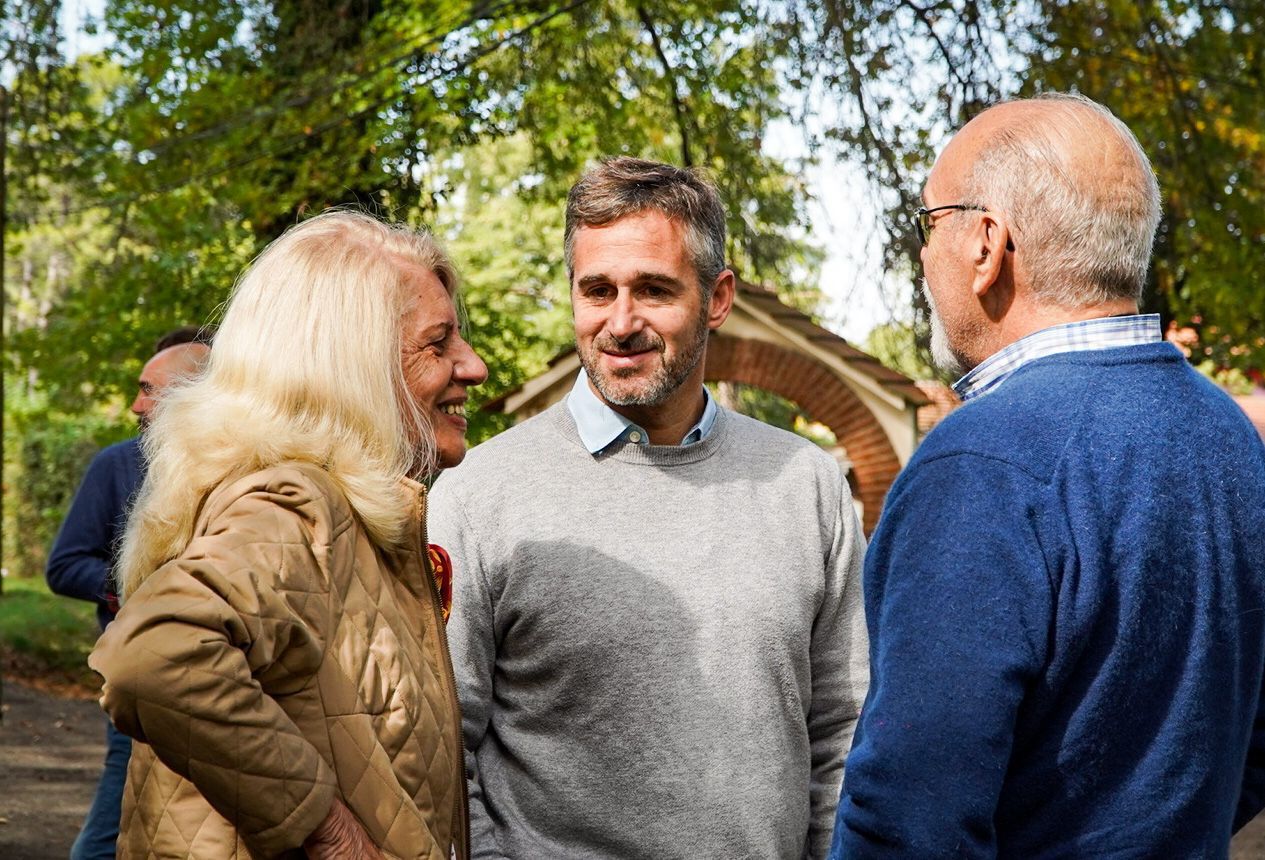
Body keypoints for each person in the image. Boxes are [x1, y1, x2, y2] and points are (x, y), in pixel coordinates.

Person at [831, 93, 1265, 857]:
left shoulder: (981, 464)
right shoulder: (1226, 432)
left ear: (986, 244)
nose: (923, 255)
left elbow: (908, 816)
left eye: (930, 223)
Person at [428, 157, 869, 859]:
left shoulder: (806, 485)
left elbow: (843, 734)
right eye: (597, 290)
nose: (621, 322)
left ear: (717, 298)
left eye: (654, 290)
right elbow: (442, 748)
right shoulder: (478, 496)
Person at [89, 211, 487, 859]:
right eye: (438, 344)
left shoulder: (341, 512)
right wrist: (330, 834)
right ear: (350, 367)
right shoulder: (296, 504)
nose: (474, 366)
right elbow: (154, 657)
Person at [46, 326, 212, 860]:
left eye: (148, 390)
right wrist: (141, 585)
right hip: (143, 685)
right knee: (103, 843)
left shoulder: (241, 467)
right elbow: (65, 566)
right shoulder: (116, 465)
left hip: (230, 686)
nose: (136, 405)